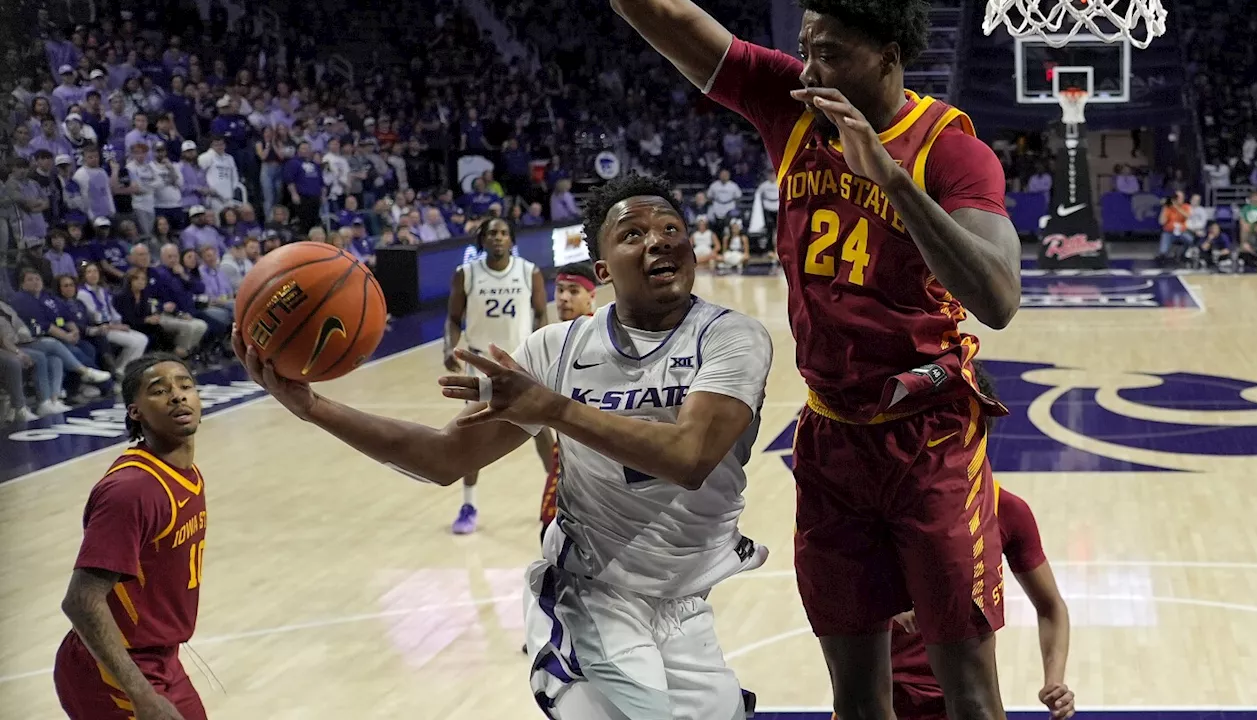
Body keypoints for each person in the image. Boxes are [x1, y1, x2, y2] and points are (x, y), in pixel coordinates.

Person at [235, 173, 772, 720]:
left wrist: (552, 408)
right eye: (632, 233)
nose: (657, 240)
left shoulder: (732, 337)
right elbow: (447, 458)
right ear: (604, 271)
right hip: (590, 593)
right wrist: (311, 408)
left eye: (670, 228)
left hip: (685, 602)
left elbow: (690, 458)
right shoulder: (556, 350)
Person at [612, 2, 1022, 719]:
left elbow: (998, 295)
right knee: (857, 696)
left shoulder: (949, 149)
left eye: (829, 53)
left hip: (930, 440)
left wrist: (891, 179)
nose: (808, 70)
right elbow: (667, 14)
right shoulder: (792, 104)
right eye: (804, 49)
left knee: (971, 696)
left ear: (888, 54)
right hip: (833, 438)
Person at [886, 361, 1074, 720]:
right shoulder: (879, 506)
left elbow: (1051, 607)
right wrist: (885, 601)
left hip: (964, 700)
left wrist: (1055, 680)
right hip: (883, 699)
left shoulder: (1007, 510)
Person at [53, 353, 208, 720]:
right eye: (159, 391)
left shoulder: (184, 471)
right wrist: (141, 694)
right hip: (114, 672)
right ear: (135, 411)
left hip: (162, 659)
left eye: (185, 386)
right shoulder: (132, 489)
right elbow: (80, 601)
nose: (177, 396)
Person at [443, 217, 552, 534]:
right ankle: (469, 505)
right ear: (483, 240)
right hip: (480, 362)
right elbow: (452, 318)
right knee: (472, 434)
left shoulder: (529, 271)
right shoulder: (466, 274)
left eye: (504, 233)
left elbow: (541, 313)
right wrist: (449, 348)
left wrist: (544, 350)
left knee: (543, 431)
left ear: (512, 239)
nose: (498, 238)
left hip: (521, 361)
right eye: (492, 233)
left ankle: (555, 499)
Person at [537, 262, 599, 535]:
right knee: (549, 526)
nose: (563, 297)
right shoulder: (549, 340)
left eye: (573, 291)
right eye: (560, 290)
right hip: (567, 453)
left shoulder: (603, 336)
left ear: (591, 296)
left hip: (604, 455)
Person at [78, 262, 150, 375]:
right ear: (84, 276)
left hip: (112, 325)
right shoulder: (82, 294)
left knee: (143, 339)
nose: (93, 274)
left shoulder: (102, 290)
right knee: (135, 342)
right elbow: (96, 318)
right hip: (100, 329)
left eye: (95, 271)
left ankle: (123, 369)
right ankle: (122, 371)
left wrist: (119, 323)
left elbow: (112, 311)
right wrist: (116, 326)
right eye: (89, 272)